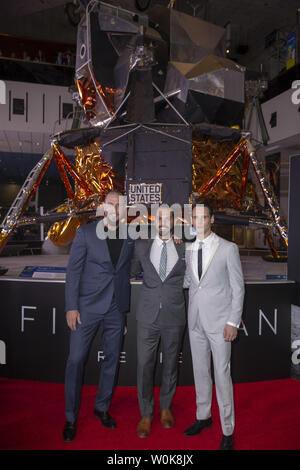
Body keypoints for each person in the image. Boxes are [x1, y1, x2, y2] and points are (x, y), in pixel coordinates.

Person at [62, 191, 135, 442]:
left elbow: (131, 266)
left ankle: (102, 408)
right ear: (103, 206)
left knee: (112, 361)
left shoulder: (130, 234)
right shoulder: (84, 233)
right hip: (87, 308)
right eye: (111, 203)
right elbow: (73, 273)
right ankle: (71, 417)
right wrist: (71, 307)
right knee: (76, 360)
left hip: (116, 308)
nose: (115, 207)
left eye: (119, 204)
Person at [183, 201, 244, 450]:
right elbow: (190, 281)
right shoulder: (188, 248)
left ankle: (227, 429)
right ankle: (203, 417)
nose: (198, 221)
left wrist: (233, 321)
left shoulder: (228, 249)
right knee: (200, 372)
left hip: (220, 323)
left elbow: (238, 287)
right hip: (195, 319)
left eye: (203, 217)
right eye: (194, 217)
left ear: (211, 219)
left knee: (221, 375)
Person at [130, 206, 186, 438]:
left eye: (168, 217)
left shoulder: (185, 245)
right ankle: (146, 413)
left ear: (173, 221)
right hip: (147, 315)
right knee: (144, 365)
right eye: (160, 217)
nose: (163, 221)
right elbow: (132, 270)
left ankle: (165, 408)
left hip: (174, 315)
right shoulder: (142, 244)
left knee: (171, 364)